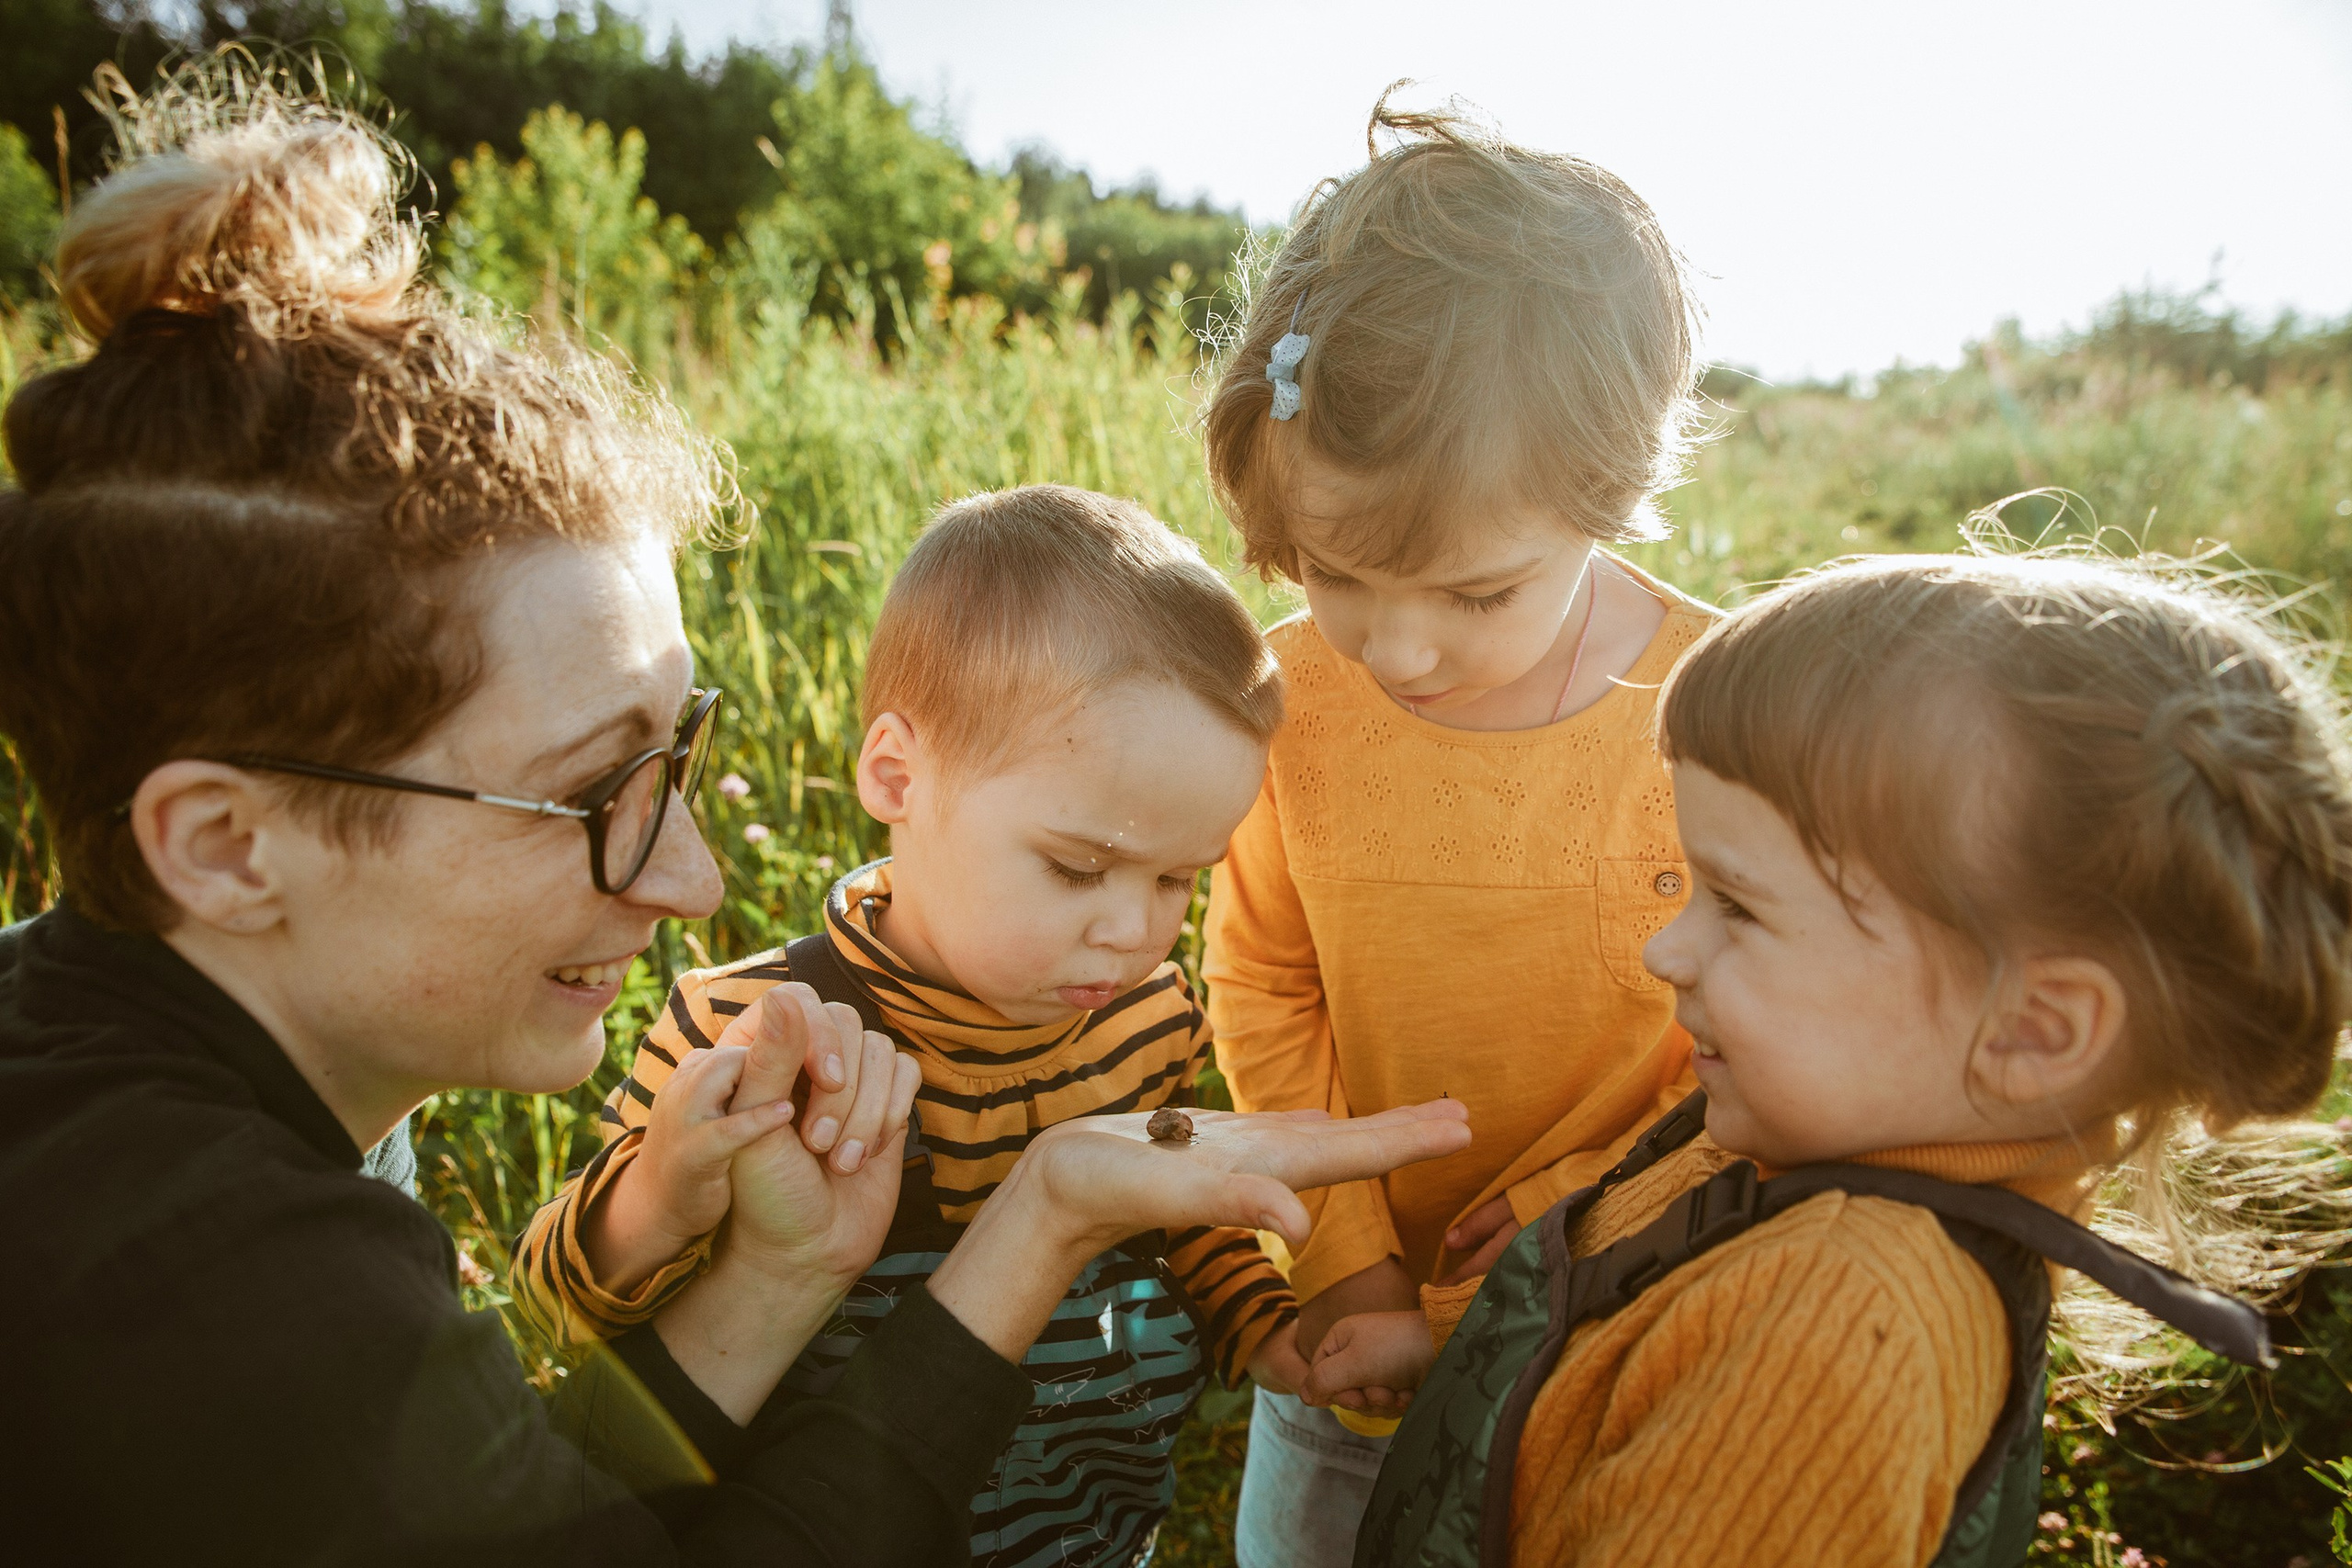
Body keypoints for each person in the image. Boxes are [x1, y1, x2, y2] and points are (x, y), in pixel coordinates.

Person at [0, 64, 1473, 1564]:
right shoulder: (222, 1290)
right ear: (228, 844)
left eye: (679, 753)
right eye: (596, 787)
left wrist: (773, 1274)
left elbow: (537, 1521)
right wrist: (1029, 1231)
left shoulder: (161, 1106)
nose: (694, 883)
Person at [1306, 547, 2351, 1566]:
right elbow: (1622, 1309)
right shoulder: (1807, 1130)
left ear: (2033, 1031)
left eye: (1741, 908)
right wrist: (1442, 1333)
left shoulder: (1835, 1331)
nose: (1664, 948)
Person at [511, 485, 1308, 1567]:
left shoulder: (1150, 1023)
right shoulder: (750, 1034)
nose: (1133, 930)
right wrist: (660, 1193)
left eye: (1180, 878)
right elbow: (555, 1307)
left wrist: (1261, 1320)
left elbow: (1179, 1219)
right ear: (896, 775)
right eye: (1077, 868)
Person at [1195, 95, 1713, 1564]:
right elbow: (1265, 984)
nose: (1399, 649)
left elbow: (1747, 1028)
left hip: (1605, 1302)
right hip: (1347, 1321)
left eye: (1477, 594)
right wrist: (1350, 1263)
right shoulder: (1289, 700)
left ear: (1605, 499)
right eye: (1338, 572)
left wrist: (1578, 1212)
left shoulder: (1712, 709)